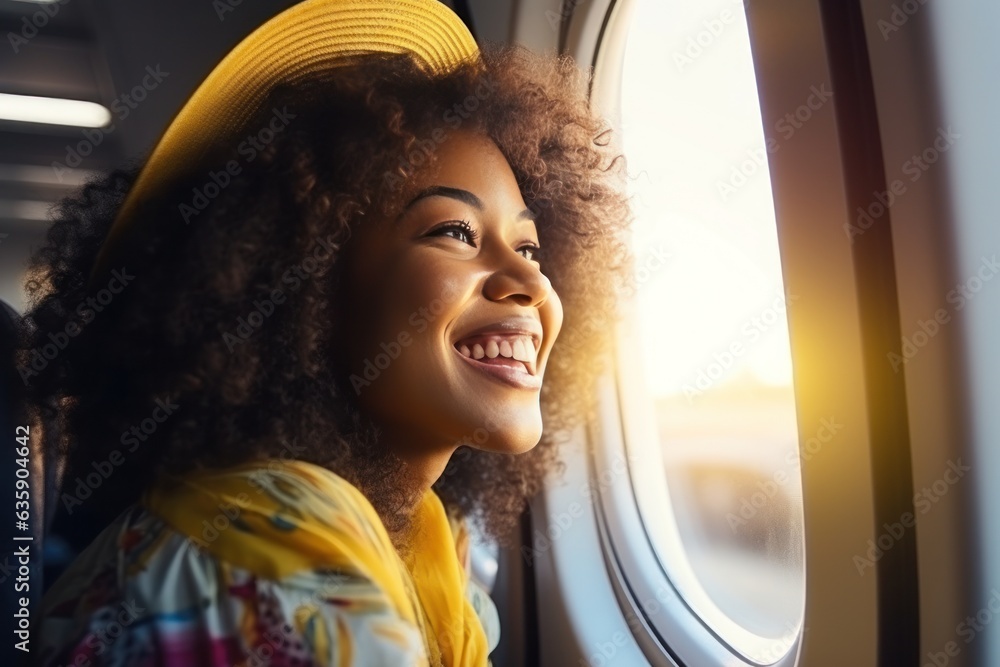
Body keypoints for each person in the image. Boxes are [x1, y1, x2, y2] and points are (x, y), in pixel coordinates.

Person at [19, 0, 631, 664]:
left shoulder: (426, 551)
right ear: (295, 275)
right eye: (454, 232)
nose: (530, 282)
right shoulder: (270, 547)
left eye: (532, 249)